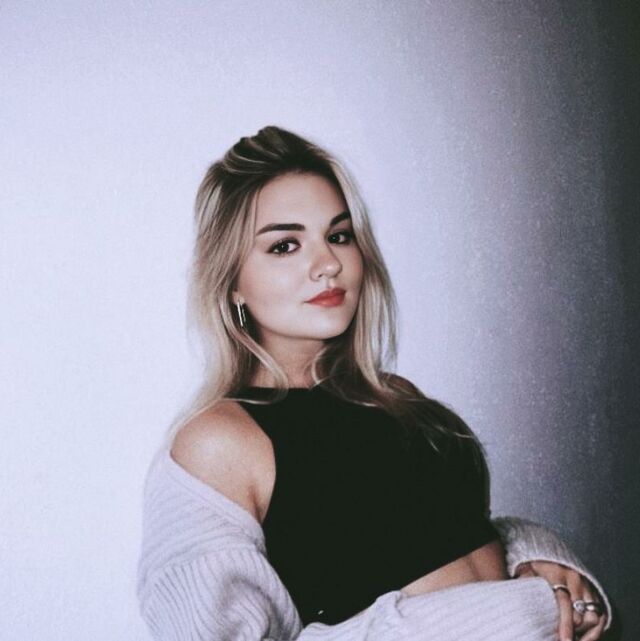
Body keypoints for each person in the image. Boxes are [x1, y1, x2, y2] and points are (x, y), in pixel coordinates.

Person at [137, 126, 611, 641]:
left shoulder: (396, 397)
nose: (328, 264)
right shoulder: (220, 441)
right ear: (232, 283)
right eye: (285, 245)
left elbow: (459, 538)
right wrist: (512, 616)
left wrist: (538, 559)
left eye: (338, 236)